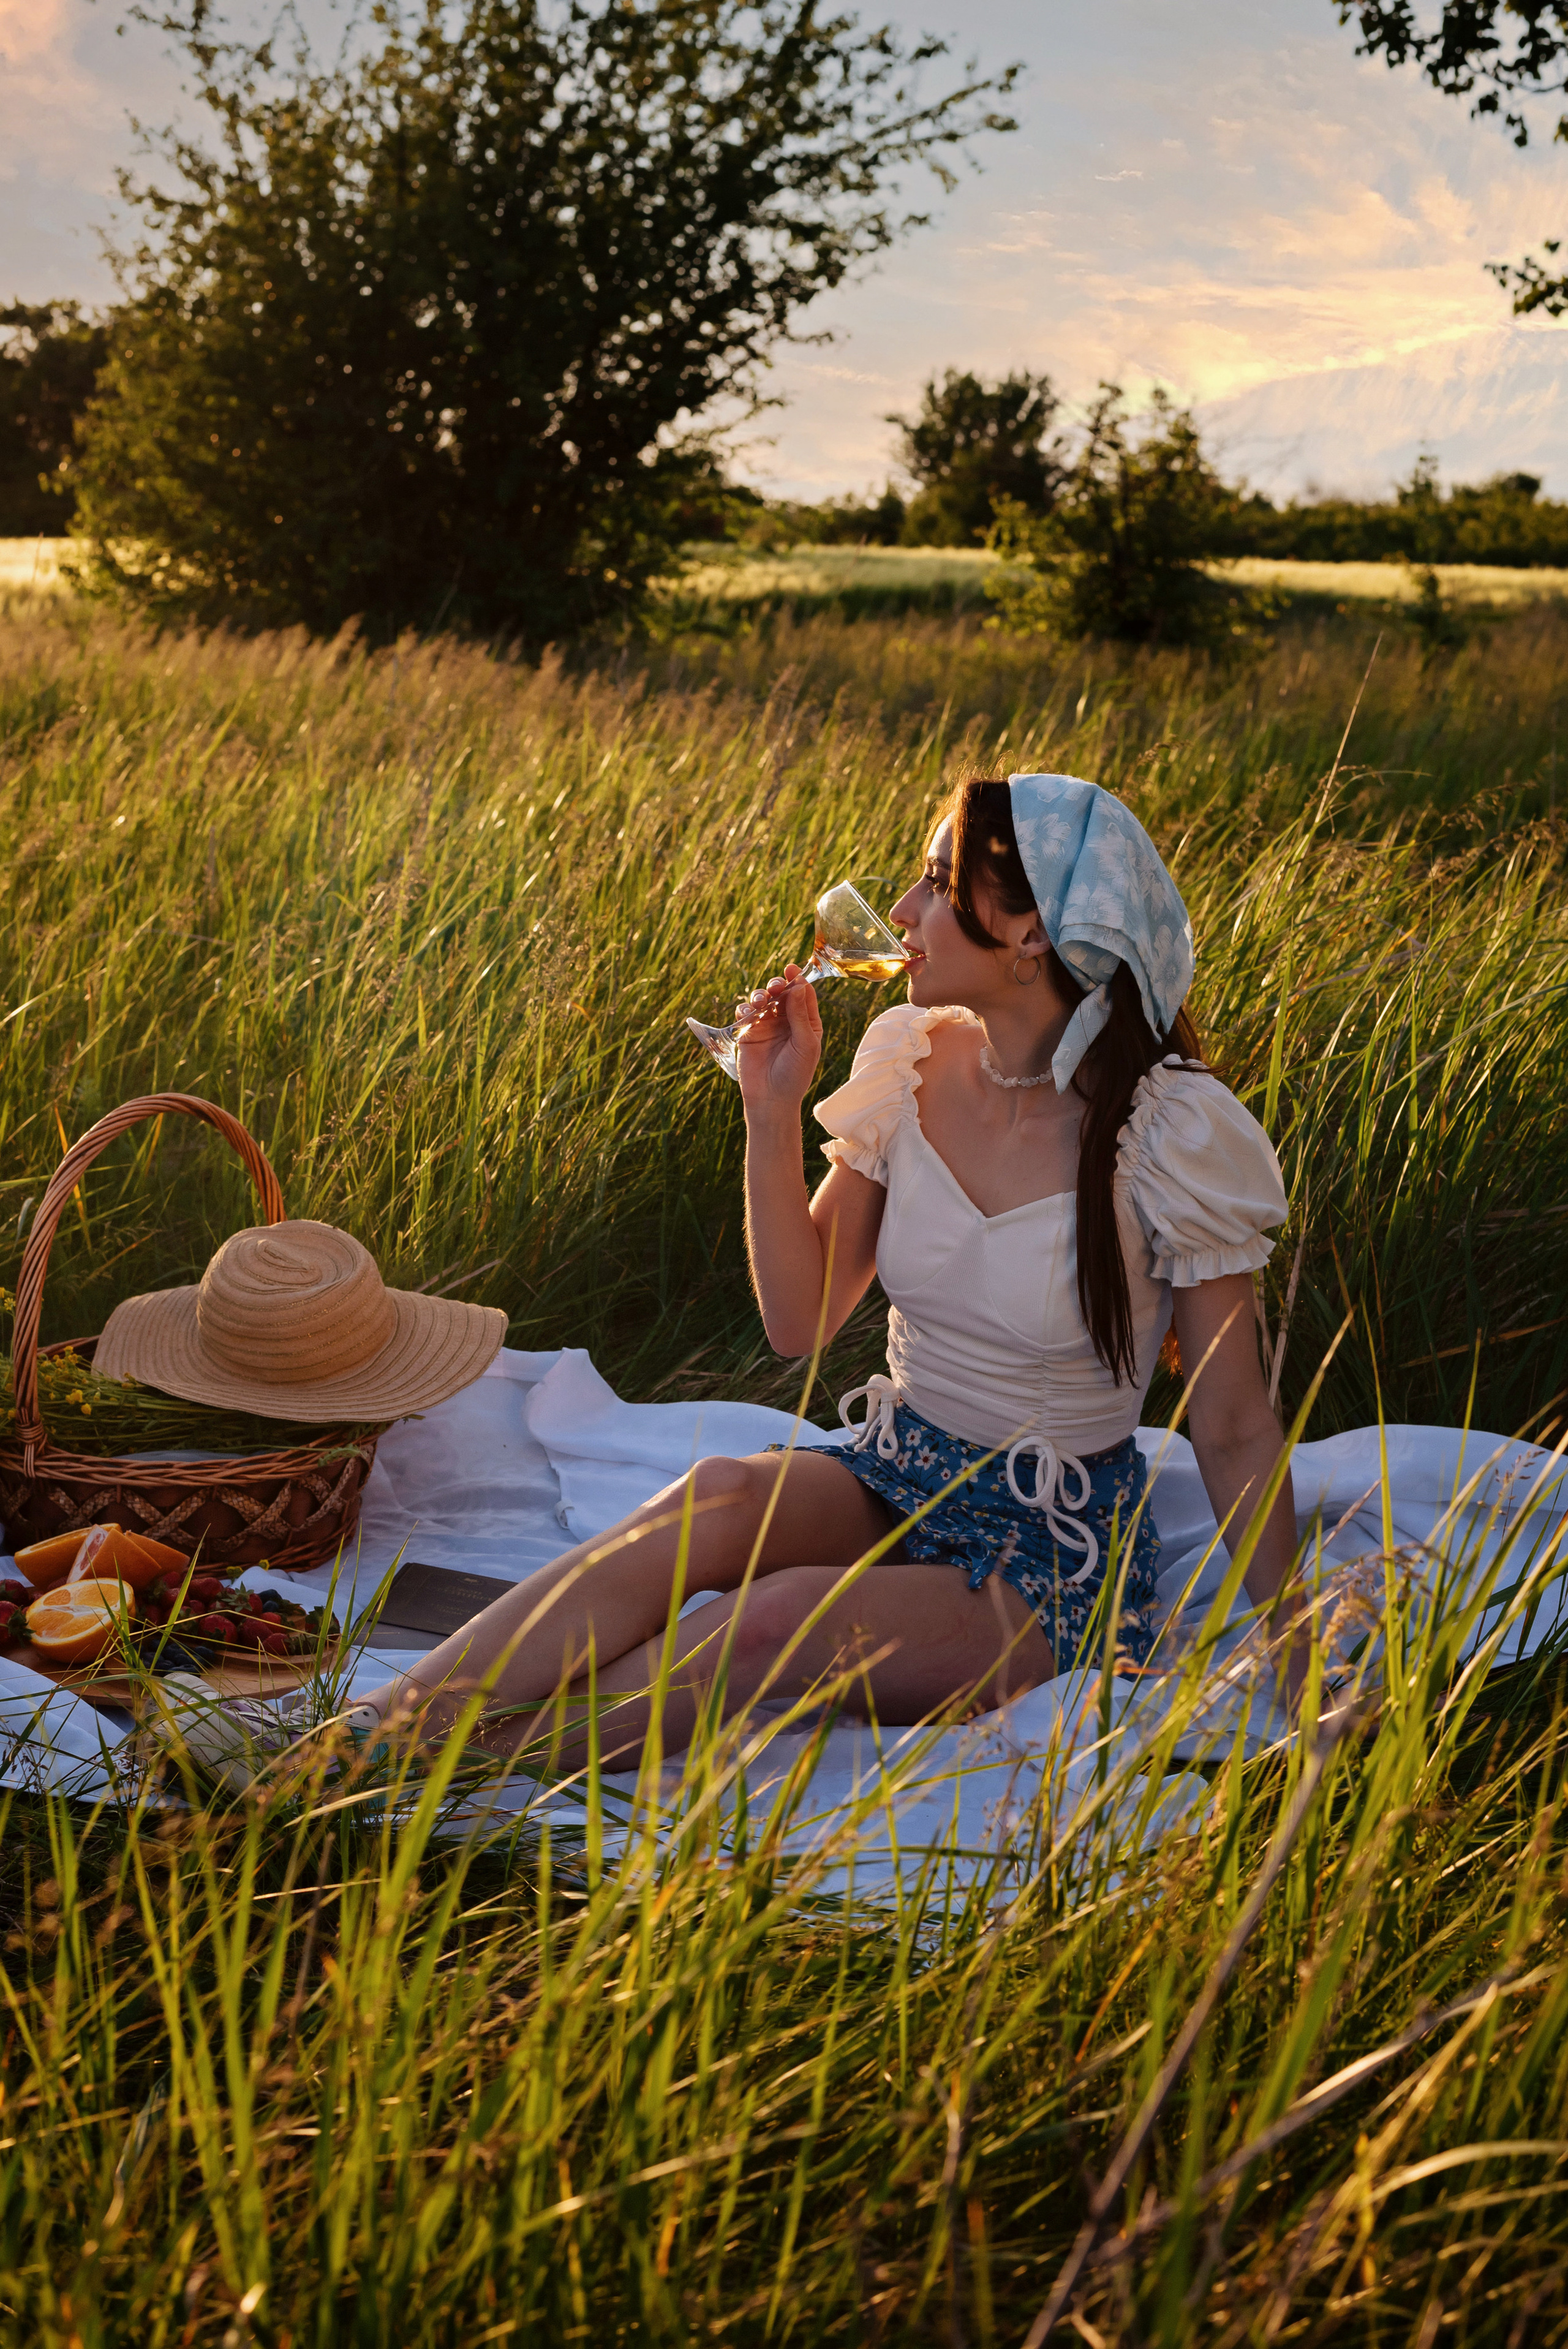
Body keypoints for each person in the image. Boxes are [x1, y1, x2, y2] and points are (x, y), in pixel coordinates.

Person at [342, 771, 1300, 1771]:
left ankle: (432, 1767)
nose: (902, 912)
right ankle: (368, 1730)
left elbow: (1232, 1426)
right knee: (714, 1494)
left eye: (937, 882)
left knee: (774, 1622)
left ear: (1028, 933)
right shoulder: (910, 1057)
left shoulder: (1169, 1134)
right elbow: (799, 1322)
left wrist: (1300, 1643)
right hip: (898, 1467)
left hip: (1052, 1550)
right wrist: (770, 1112)